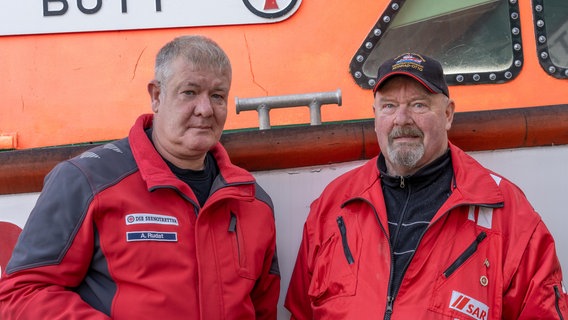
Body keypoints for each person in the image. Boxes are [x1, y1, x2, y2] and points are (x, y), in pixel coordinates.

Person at [0, 35, 280, 319]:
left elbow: (264, 310)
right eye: (190, 92)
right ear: (156, 96)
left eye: (217, 95)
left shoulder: (253, 202)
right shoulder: (87, 182)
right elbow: (21, 294)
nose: (205, 109)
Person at [285, 52, 568, 319]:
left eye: (418, 104)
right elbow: (301, 311)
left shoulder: (506, 211)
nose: (402, 119)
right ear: (375, 116)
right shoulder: (332, 205)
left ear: (447, 114)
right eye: (389, 106)